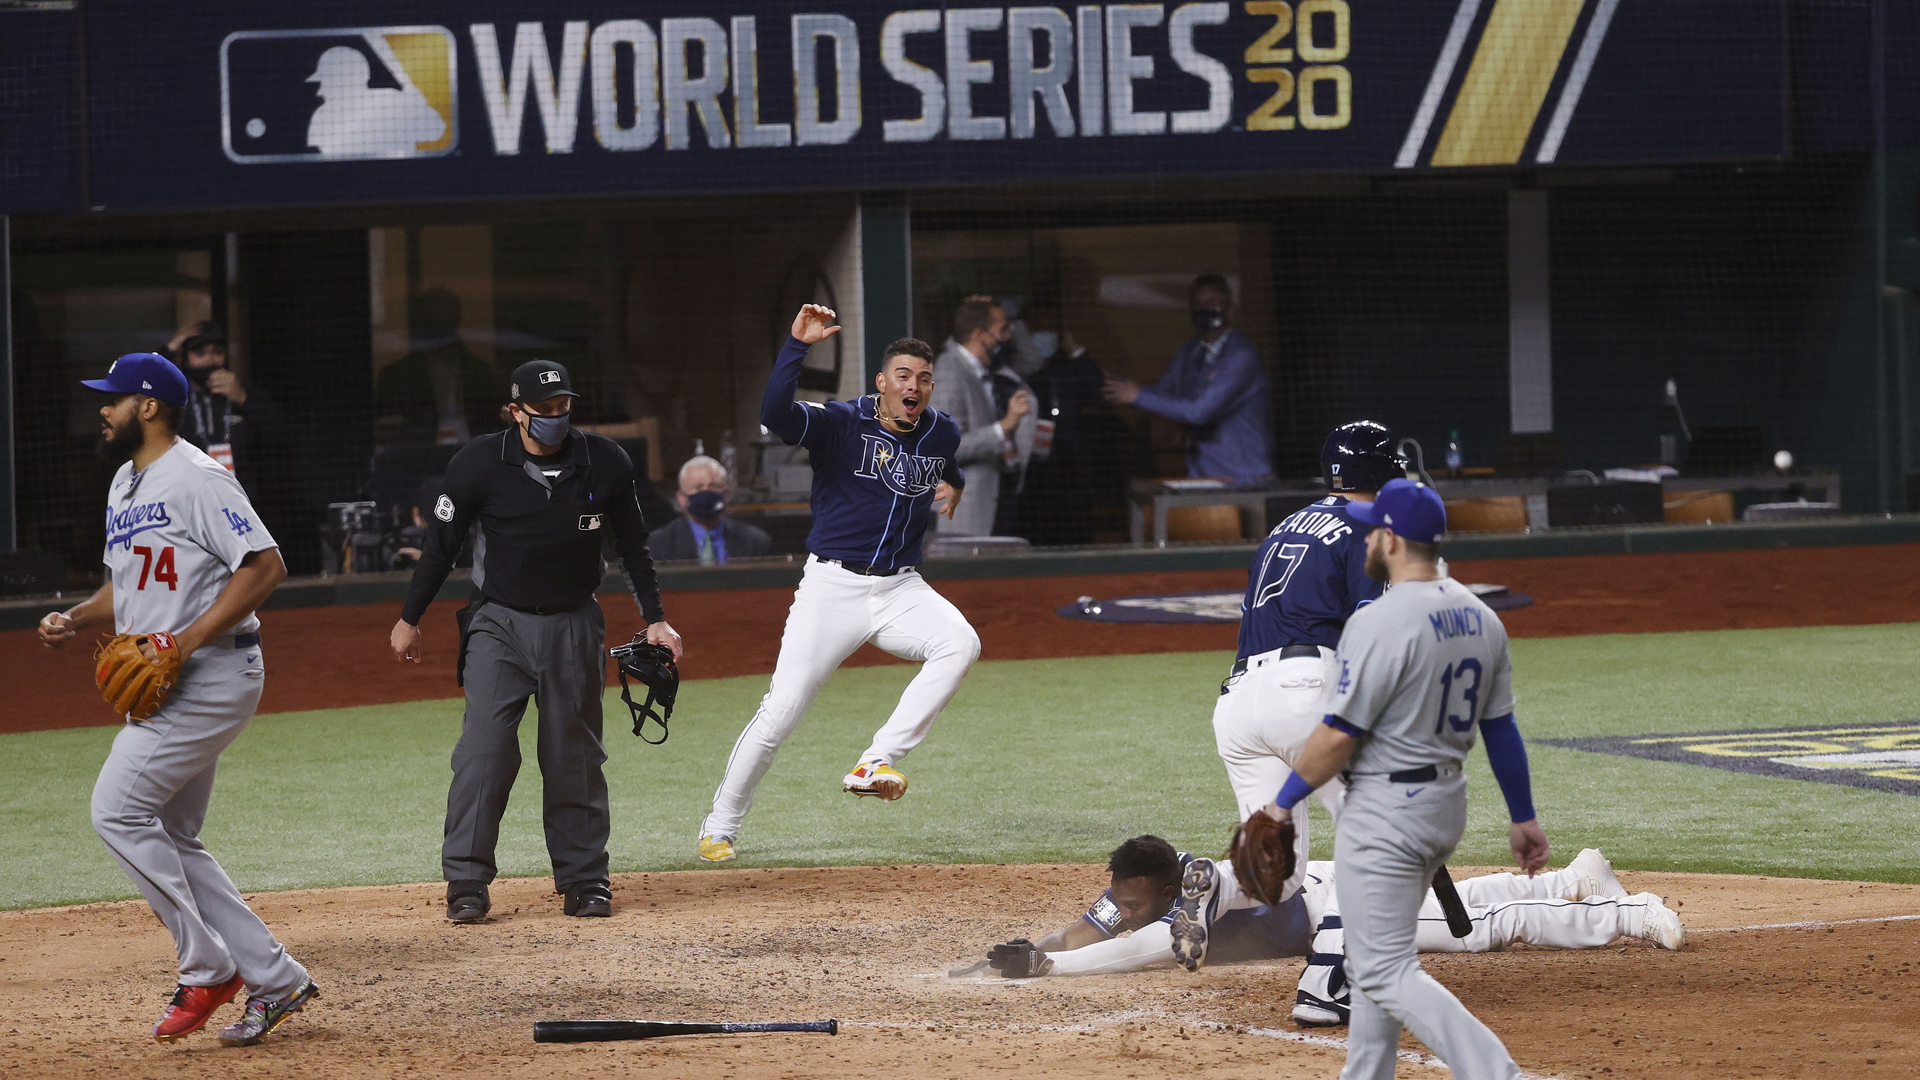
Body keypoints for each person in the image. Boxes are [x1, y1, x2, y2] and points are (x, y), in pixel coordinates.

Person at [1201, 478, 1548, 1080]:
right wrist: (1523, 816)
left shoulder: (1379, 622)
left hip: (1386, 810)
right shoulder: (1482, 616)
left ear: (1387, 537)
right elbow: (1502, 728)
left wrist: (1280, 808)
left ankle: (1497, 1073)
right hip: (1444, 805)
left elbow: (1338, 736)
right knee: (1370, 963)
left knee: (1384, 972)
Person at [38, 352, 318, 1046]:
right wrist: (75, 617)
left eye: (113, 399)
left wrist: (183, 642)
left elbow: (266, 565)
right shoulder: (124, 485)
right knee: (171, 834)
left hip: (212, 674)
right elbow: (126, 588)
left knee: (117, 811)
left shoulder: (197, 477)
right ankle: (275, 978)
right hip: (181, 677)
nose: (102, 410)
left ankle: (207, 965)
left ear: (150, 406)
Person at [388, 359, 683, 923]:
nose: (555, 417)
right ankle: (467, 881)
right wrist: (410, 617)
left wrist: (656, 618)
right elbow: (441, 546)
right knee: (484, 751)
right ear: (516, 410)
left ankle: (584, 879)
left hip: (575, 622)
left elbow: (634, 548)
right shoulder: (479, 462)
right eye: (543, 410)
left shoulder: (604, 461)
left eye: (562, 407)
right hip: (498, 623)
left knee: (573, 755)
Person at [695, 305, 979, 863]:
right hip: (832, 589)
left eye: (923, 378)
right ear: (882, 382)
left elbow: (944, 462)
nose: (913, 386)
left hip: (901, 588)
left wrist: (956, 485)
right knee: (781, 711)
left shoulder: (941, 430)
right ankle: (720, 825)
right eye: (902, 375)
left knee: (960, 642)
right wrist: (796, 346)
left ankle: (875, 761)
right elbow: (775, 415)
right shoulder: (842, 423)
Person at [970, 836, 1682, 1027]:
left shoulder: (1195, 896)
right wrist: (1028, 951)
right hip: (1322, 900)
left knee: (1475, 930)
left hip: (1342, 899)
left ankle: (1628, 912)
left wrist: (1051, 973)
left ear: (1165, 887)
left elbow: (1142, 949)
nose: (1122, 910)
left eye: (1132, 901)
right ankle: (1577, 879)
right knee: (1464, 903)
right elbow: (1096, 930)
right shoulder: (1139, 890)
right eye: (1118, 900)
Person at [1212, 422, 1406, 902]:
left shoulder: (1284, 526)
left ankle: (1201, 882)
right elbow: (1369, 628)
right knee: (1382, 838)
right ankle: (1333, 972)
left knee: (1278, 873)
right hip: (1302, 692)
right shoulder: (1371, 526)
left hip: (1237, 705)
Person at [1103, 274, 1273, 484]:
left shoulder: (1240, 356)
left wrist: (1137, 395)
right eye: (1197, 304)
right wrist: (1117, 386)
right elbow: (1162, 394)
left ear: (1229, 308)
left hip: (1244, 477)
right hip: (1204, 476)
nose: (1204, 309)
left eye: (1212, 303)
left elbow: (1199, 411)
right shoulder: (1190, 353)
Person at [931, 295, 1036, 536]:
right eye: (1002, 330)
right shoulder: (949, 372)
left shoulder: (983, 369)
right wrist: (1004, 426)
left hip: (995, 503)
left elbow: (1032, 362)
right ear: (979, 334)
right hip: (965, 516)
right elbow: (943, 448)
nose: (1007, 337)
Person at [374, 289, 501, 446]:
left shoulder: (478, 370)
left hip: (472, 454)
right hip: (421, 458)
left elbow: (491, 421)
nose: (441, 327)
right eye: (434, 320)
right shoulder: (396, 376)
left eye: (447, 320)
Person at [647, 455, 772, 564]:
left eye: (714, 486)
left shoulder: (755, 542)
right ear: (681, 498)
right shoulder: (658, 544)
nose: (706, 492)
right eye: (698, 487)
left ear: (727, 494)